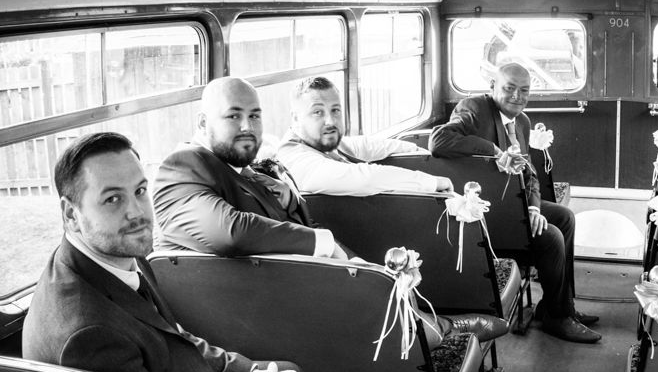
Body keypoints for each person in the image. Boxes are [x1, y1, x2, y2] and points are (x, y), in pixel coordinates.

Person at [22, 132, 331, 372]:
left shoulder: (117, 252)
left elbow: (177, 338)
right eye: (112, 199)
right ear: (71, 213)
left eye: (140, 191)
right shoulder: (86, 333)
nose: (136, 212)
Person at [153, 76, 505, 346]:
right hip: (248, 297)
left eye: (255, 116)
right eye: (233, 116)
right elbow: (231, 232)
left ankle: (428, 327)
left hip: (287, 278)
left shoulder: (246, 169)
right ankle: (440, 331)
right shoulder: (182, 166)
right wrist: (326, 245)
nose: (247, 126)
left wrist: (352, 261)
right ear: (203, 123)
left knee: (382, 282)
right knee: (374, 293)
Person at [429, 62, 600, 344]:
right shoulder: (475, 109)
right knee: (550, 236)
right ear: (493, 87)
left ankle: (557, 306)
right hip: (486, 213)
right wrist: (495, 152)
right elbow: (438, 140)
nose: (517, 97)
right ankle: (558, 318)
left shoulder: (522, 122)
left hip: (513, 204)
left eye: (524, 90)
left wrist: (533, 208)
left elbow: (529, 173)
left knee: (564, 217)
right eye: (509, 89)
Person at [276, 76, 455, 197]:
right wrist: (430, 183)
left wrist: (417, 151)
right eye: (318, 112)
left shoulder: (323, 144)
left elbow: (366, 145)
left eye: (335, 110)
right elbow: (363, 178)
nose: (330, 121)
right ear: (295, 118)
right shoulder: (294, 159)